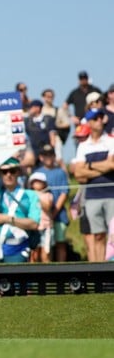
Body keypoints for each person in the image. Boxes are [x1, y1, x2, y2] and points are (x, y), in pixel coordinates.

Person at [0, 158, 41, 263]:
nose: (9, 175)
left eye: (12, 171)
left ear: (18, 172)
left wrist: (6, 219)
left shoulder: (30, 195)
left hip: (19, 249)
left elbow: (34, 224)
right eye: (4, 172)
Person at [72, 108, 114, 262]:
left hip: (111, 195)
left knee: (112, 236)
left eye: (101, 117)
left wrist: (89, 166)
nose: (100, 121)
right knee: (98, 235)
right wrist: (103, 166)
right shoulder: (83, 146)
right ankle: (99, 274)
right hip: (92, 196)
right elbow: (78, 174)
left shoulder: (111, 140)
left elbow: (112, 165)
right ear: (89, 122)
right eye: (96, 118)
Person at [32, 144, 71, 262]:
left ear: (54, 156)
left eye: (51, 154)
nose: (48, 157)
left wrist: (53, 213)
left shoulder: (60, 172)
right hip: (40, 216)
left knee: (60, 242)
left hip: (59, 215)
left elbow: (64, 193)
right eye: (45, 155)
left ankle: (60, 271)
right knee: (40, 245)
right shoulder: (37, 172)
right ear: (40, 157)